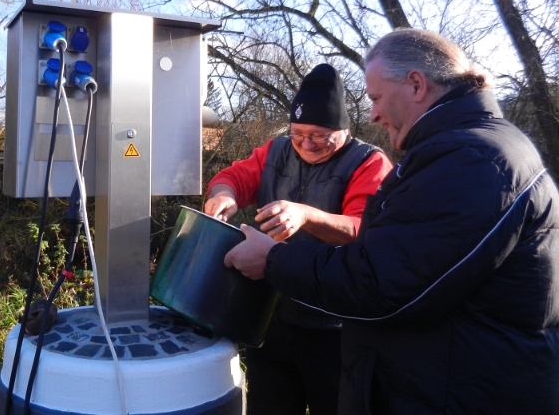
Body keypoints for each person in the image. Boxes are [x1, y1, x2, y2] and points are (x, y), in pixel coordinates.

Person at [224, 29, 559, 414]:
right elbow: (403, 261)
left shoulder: (469, 159)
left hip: (460, 390)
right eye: (298, 134)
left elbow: (384, 282)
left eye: (376, 98)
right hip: (443, 379)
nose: (374, 113)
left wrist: (273, 260)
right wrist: (224, 193)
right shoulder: (469, 149)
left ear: (417, 85)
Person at [204, 63, 392, 415]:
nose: (306, 143)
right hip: (271, 315)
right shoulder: (276, 151)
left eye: (319, 136)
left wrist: (305, 214)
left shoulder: (369, 163)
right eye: (297, 133)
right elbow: (234, 176)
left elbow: (363, 230)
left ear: (343, 130)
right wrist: (224, 195)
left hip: (334, 327)